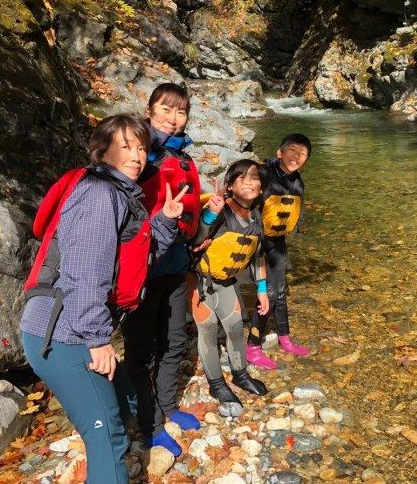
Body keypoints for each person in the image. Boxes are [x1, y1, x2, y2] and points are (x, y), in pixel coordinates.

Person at [20, 114, 185, 484]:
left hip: (68, 326)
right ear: (101, 151)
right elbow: (85, 275)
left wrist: (167, 219)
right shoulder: (99, 194)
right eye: (125, 146)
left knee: (127, 401)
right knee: (107, 436)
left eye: (142, 147)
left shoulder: (120, 195)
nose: (137, 155)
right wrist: (97, 340)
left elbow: (133, 260)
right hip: (64, 333)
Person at [121, 83, 203, 457]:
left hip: (174, 264)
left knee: (173, 342)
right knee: (141, 352)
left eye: (181, 112)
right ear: (150, 109)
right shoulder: (139, 154)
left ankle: (168, 406)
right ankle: (149, 423)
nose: (173, 118)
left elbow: (190, 213)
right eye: (166, 109)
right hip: (142, 268)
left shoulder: (184, 158)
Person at [191, 159, 270, 404]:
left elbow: (258, 255)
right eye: (241, 178)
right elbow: (195, 239)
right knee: (209, 328)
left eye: (254, 177)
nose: (249, 182)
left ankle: (240, 374)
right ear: (230, 187)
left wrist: (263, 290)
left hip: (225, 281)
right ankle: (216, 384)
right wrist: (210, 214)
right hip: (198, 280)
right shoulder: (221, 210)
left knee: (236, 327)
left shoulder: (256, 216)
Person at [246, 133, 312, 370]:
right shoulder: (262, 173)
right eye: (292, 150)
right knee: (270, 293)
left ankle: (285, 338)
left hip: (277, 242)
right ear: (279, 152)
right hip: (255, 244)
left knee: (281, 291)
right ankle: (253, 346)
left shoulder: (297, 183)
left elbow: (295, 213)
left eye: (302, 154)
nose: (296, 156)